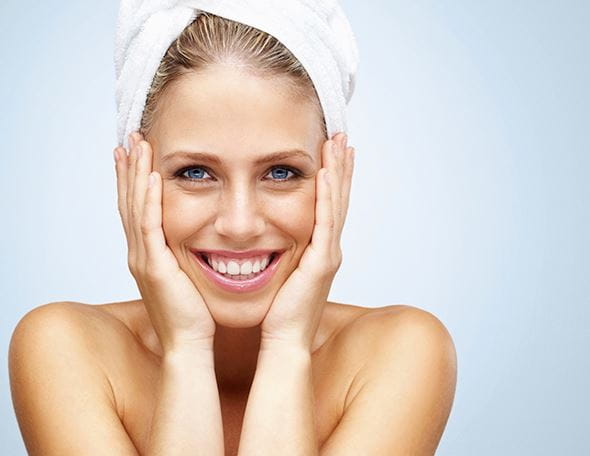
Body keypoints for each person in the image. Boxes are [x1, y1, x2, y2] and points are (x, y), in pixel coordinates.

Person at [9, 5, 457, 456]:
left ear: (335, 178)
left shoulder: (403, 352)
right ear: (131, 180)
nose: (240, 225)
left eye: (281, 172)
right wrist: (186, 349)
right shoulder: (64, 349)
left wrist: (287, 347)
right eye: (196, 173)